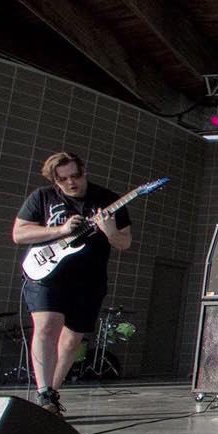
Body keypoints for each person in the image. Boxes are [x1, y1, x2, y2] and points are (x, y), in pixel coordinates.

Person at [12, 152, 132, 416]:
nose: (71, 183)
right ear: (54, 180)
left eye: (75, 176)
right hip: (47, 274)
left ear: (84, 171)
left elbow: (125, 242)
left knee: (72, 339)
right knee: (46, 326)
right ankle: (44, 392)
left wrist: (110, 232)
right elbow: (19, 234)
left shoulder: (107, 200)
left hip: (89, 278)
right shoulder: (43, 197)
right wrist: (61, 230)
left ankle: (51, 394)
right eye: (63, 179)